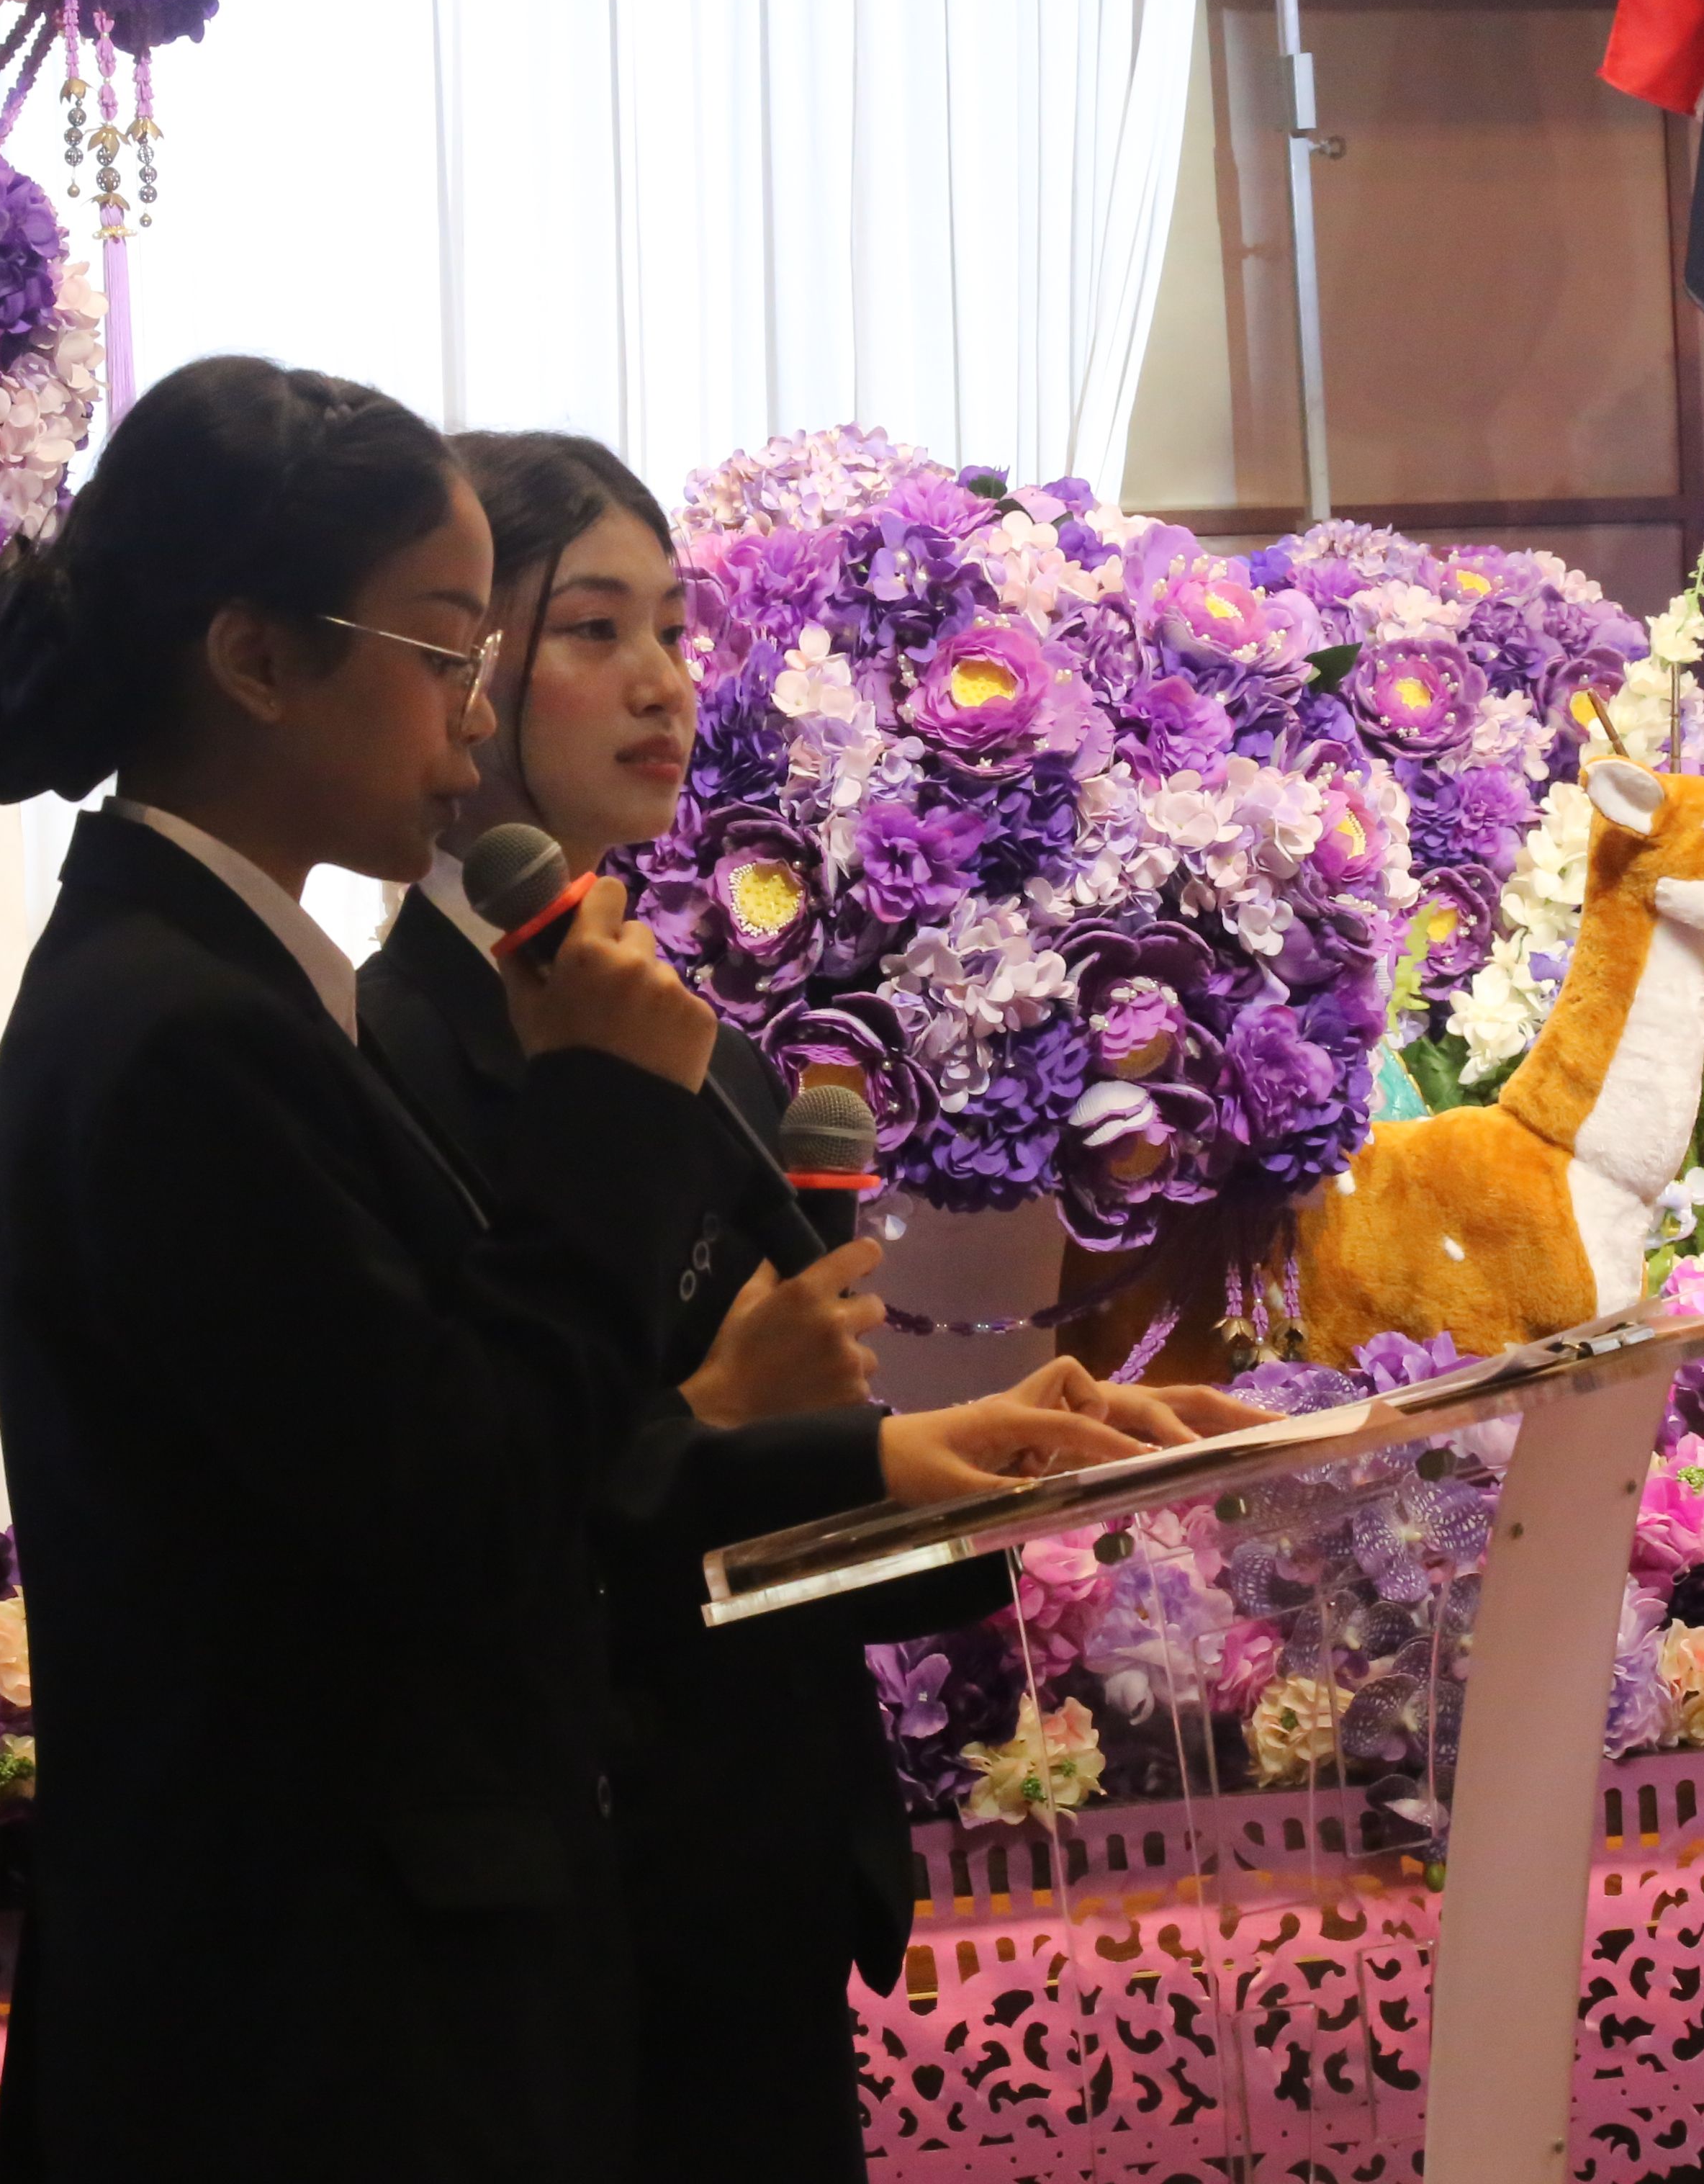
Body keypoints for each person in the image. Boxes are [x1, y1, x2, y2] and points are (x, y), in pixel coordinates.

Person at [0, 364, 1155, 2184]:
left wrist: (911, 1462)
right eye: (449, 647)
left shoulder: (231, 991)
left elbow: (471, 1449)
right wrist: (606, 1110)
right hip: (307, 2022)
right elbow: (464, 1497)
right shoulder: (183, 1028)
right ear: (257, 659)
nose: (471, 705)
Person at [359, 432, 1256, 2182]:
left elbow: (786, 1447)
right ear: (457, 672)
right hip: (590, 1886)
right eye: (593, 630)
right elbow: (496, 1492)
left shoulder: (697, 1048)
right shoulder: (396, 1052)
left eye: (675, 631)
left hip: (755, 1849)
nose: (660, 682)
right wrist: (728, 1413)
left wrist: (1016, 1453)